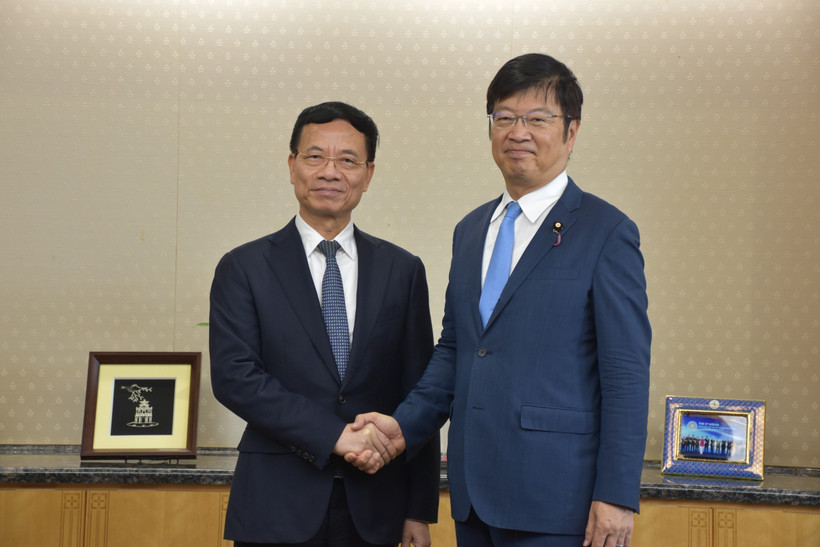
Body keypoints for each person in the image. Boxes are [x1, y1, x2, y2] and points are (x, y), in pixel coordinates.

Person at [348, 54, 651, 547]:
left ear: (571, 132)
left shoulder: (607, 232)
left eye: (538, 119)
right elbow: (456, 351)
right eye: (505, 117)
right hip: (473, 497)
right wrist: (401, 427)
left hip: (559, 499)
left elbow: (625, 375)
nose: (518, 131)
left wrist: (617, 495)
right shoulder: (471, 231)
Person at [209, 101, 440, 546]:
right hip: (276, 504)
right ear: (292, 165)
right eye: (315, 157)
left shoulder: (403, 270)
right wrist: (334, 436)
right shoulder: (244, 267)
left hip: (377, 508)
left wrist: (418, 510)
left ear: (368, 175)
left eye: (348, 160)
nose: (330, 172)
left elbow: (419, 391)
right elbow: (236, 378)